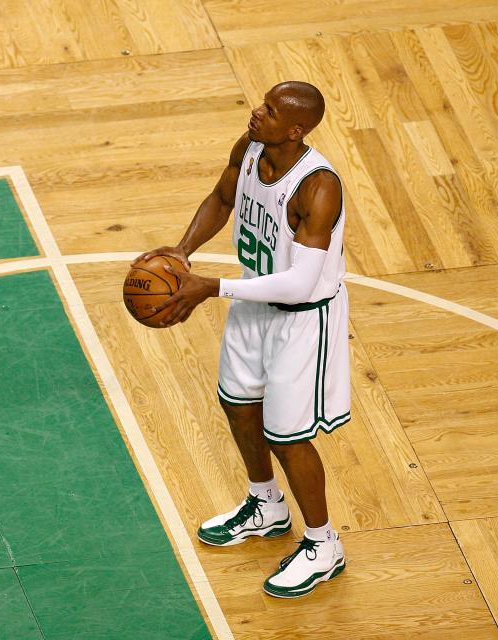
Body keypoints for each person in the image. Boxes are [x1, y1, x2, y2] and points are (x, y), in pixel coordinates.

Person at [135, 81, 349, 598]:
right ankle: (266, 506)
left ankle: (323, 545)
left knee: (288, 435)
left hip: (303, 319)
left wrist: (213, 286)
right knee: (238, 406)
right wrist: (184, 252)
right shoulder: (250, 148)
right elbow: (222, 197)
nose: (257, 112)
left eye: (271, 110)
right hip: (254, 300)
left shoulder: (318, 187)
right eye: (262, 102)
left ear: (296, 130)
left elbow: (300, 282)